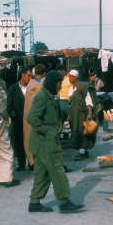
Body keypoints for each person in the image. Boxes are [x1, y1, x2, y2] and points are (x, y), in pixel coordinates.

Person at [27, 70, 84, 213]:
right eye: (58, 84)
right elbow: (32, 118)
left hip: (41, 141)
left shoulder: (50, 96)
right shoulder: (43, 97)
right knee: (57, 170)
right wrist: (48, 130)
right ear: (53, 83)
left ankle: (34, 202)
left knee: (43, 172)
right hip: (45, 141)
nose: (59, 87)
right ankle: (64, 202)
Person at [7, 67, 32, 171]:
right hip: (17, 121)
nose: (30, 78)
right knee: (18, 142)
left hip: (30, 121)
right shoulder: (13, 88)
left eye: (31, 76)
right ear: (22, 75)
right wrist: (14, 115)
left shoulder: (31, 88)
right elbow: (9, 106)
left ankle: (31, 163)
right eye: (29, 75)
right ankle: (21, 164)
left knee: (30, 142)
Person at [68, 70, 96, 160]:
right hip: (73, 113)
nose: (69, 78)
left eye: (70, 77)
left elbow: (88, 101)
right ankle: (83, 150)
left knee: (82, 132)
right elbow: (70, 103)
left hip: (81, 114)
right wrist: (69, 115)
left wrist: (90, 113)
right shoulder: (70, 89)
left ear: (75, 78)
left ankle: (82, 152)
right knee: (76, 132)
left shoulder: (82, 87)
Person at [23, 64, 46, 170]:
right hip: (42, 117)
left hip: (29, 117)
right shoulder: (45, 84)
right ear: (44, 73)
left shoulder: (29, 86)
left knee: (29, 137)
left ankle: (32, 161)